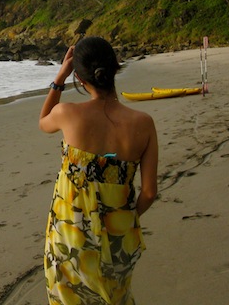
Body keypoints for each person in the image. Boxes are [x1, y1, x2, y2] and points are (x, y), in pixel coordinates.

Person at [38, 36, 158, 305]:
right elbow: (149, 192)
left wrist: (59, 77)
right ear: (115, 68)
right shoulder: (144, 123)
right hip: (120, 233)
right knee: (116, 297)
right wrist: (123, 218)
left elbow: (43, 122)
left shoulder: (67, 113)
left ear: (79, 78)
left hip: (71, 232)